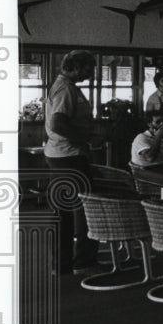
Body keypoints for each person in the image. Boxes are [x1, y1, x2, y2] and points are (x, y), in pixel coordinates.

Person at [43, 49, 100, 274]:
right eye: (88, 68)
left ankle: (62, 263)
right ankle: (84, 262)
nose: (91, 73)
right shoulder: (65, 89)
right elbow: (57, 123)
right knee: (86, 209)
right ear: (75, 67)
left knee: (63, 211)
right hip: (69, 156)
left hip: (59, 155)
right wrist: (84, 141)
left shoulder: (62, 85)